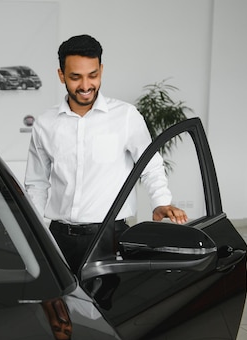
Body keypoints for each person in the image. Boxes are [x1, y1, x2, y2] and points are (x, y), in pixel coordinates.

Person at [24, 34, 187, 272]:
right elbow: (37, 183)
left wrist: (161, 201)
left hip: (110, 237)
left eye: (93, 75)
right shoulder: (45, 124)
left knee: (109, 306)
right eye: (75, 77)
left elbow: (150, 165)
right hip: (59, 238)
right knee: (61, 305)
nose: (86, 86)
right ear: (61, 75)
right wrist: (31, 230)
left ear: (101, 69)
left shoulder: (126, 116)